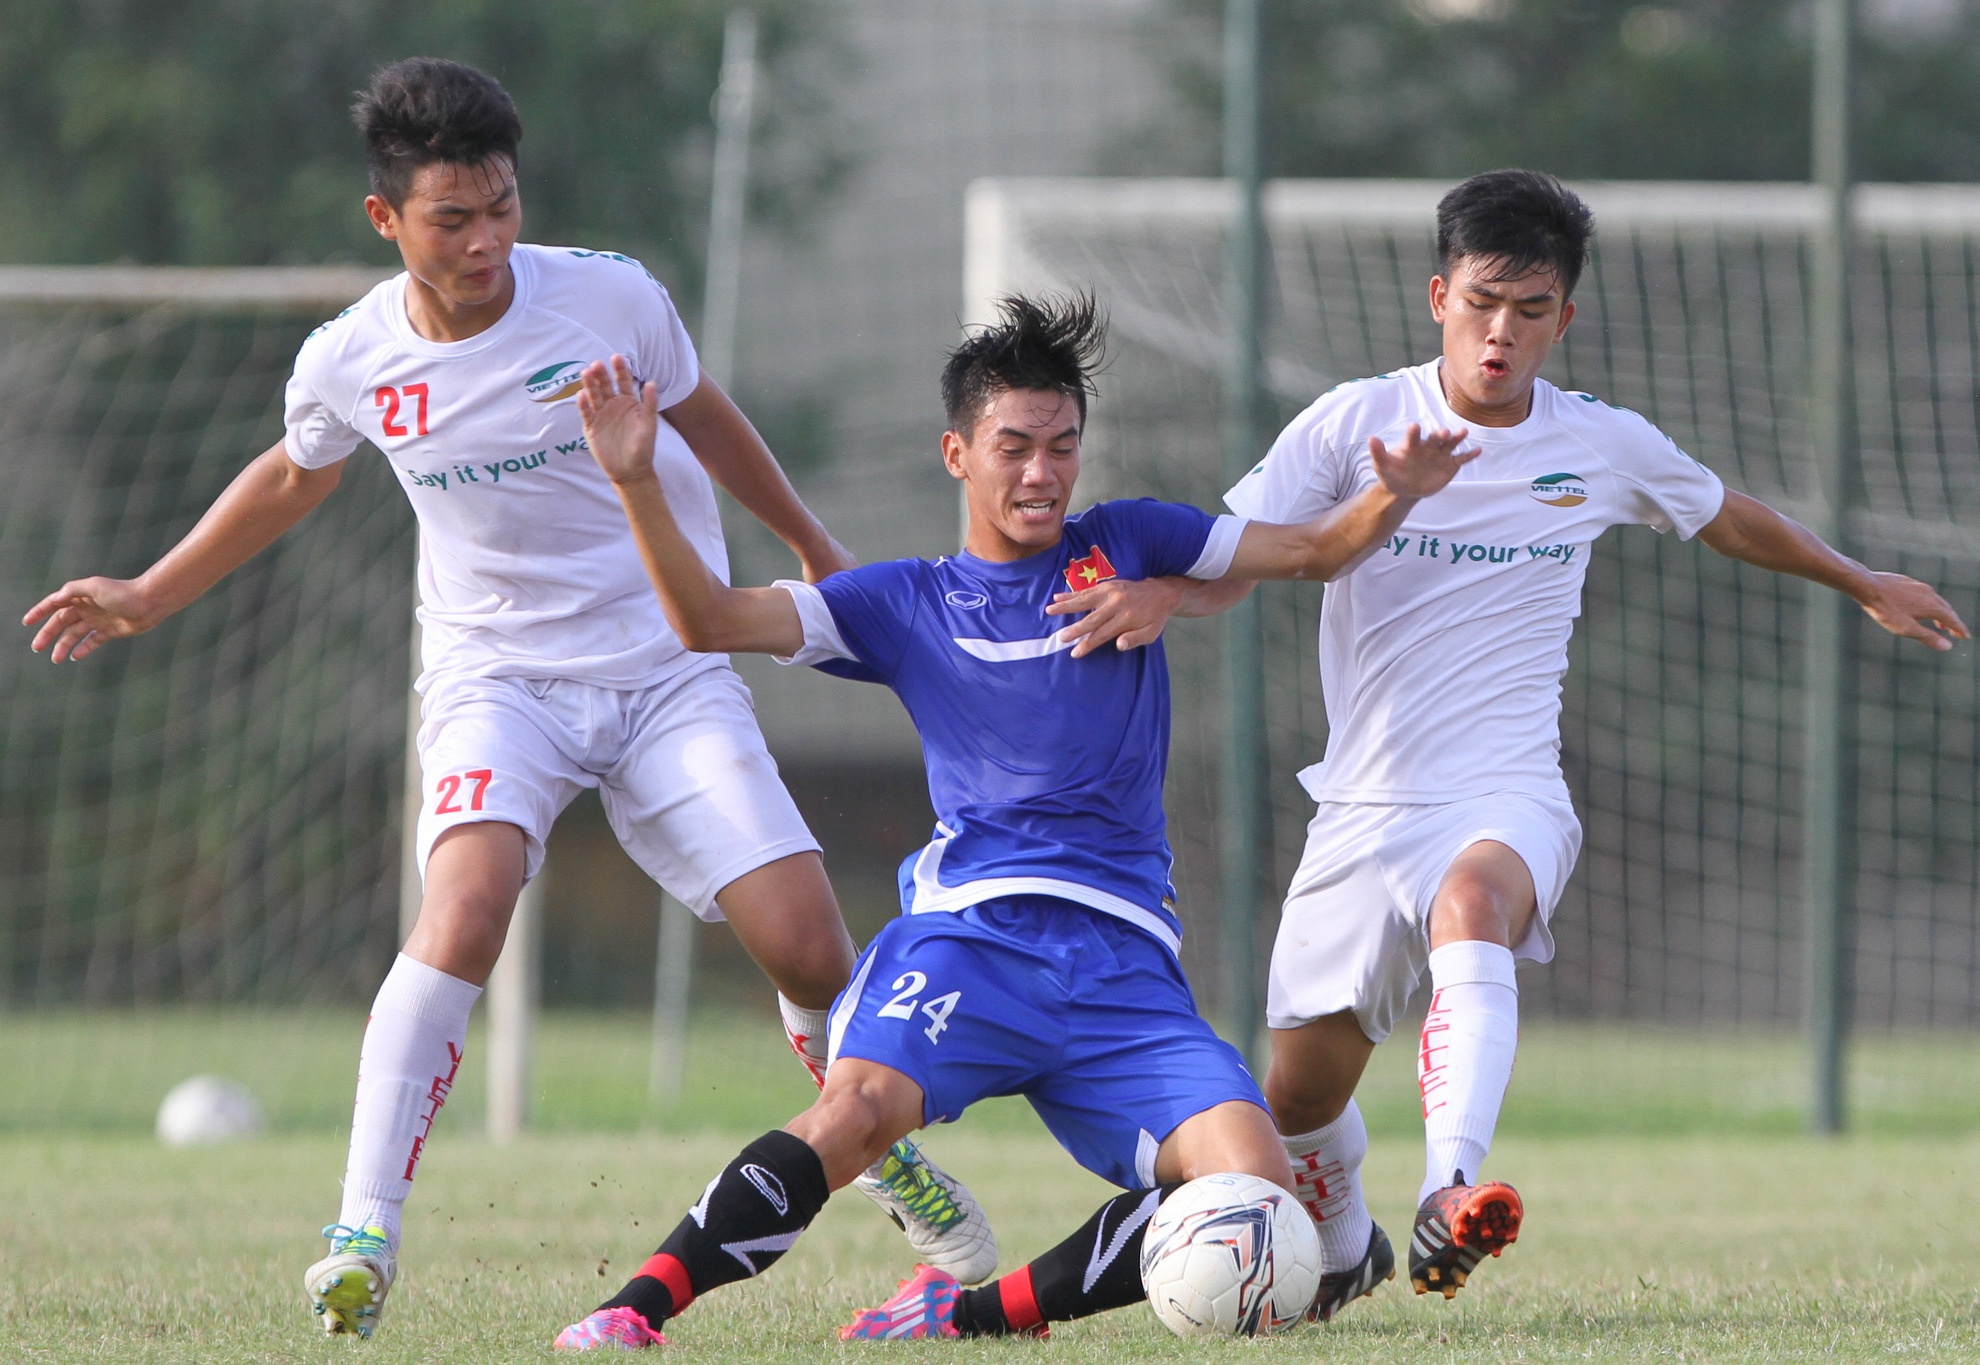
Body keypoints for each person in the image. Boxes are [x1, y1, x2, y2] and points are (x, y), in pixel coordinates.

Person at [20, 56, 992, 1338]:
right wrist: (150, 591)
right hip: (498, 682)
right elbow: (294, 473)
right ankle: (362, 1232)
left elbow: (706, 416)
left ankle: (873, 1145)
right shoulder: (350, 358)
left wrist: (816, 550)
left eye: (503, 207)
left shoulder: (612, 299)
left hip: (666, 668)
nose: (486, 242)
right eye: (452, 220)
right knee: (465, 905)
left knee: (811, 948)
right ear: (386, 219)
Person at [1046, 168, 1971, 1318]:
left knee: (1473, 905)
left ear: (1563, 319)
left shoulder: (1599, 443)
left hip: (1506, 788)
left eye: (1531, 311)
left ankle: (1451, 1189)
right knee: (1296, 1102)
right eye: (1483, 302)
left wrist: (1862, 579)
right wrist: (1163, 596)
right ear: (1440, 297)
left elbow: (1727, 516)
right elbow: (1248, 557)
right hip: (1362, 805)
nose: (1502, 333)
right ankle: (1347, 1246)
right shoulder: (1351, 422)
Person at [547, 292, 1477, 1350]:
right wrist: (635, 479)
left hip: (1124, 967)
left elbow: (1314, 549)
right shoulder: (905, 602)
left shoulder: (1127, 541)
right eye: (1015, 447)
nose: (1042, 473)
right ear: (958, 454)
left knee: (1253, 1184)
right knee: (855, 1114)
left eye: (1063, 446)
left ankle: (965, 1316)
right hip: (973, 942)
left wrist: (1391, 496)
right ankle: (633, 1309)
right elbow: (707, 619)